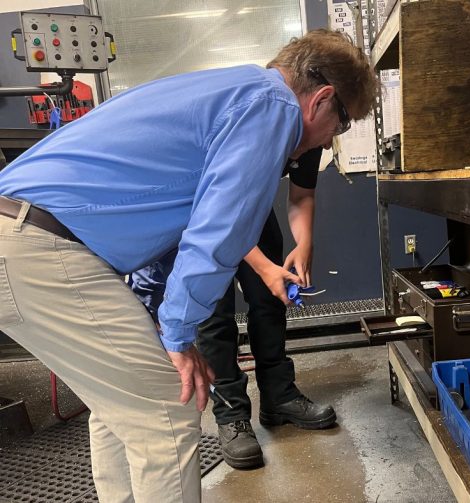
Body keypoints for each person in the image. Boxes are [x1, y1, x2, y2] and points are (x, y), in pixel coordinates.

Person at [0, 29, 378, 502]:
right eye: (342, 124)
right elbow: (217, 233)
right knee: (169, 414)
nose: (332, 139)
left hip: (26, 234)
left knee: (120, 406)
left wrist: (167, 325)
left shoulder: (233, 89)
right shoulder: (273, 109)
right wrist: (177, 334)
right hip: (40, 246)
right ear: (322, 99)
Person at [130, 147, 332, 470]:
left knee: (269, 302)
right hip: (207, 207)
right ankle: (232, 414)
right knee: (214, 312)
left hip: (256, 208)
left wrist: (305, 242)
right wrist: (265, 269)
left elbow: (302, 193)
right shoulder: (262, 121)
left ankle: (278, 396)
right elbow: (224, 219)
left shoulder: (315, 130)